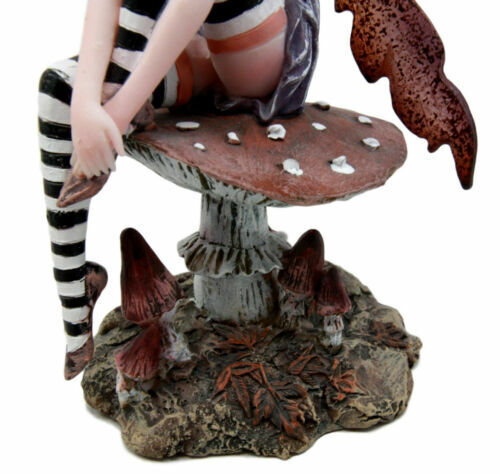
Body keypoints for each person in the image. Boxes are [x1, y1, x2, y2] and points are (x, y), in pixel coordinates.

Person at [38, 0, 320, 378]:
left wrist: (114, 117)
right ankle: (75, 299)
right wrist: (85, 104)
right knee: (58, 87)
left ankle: (122, 100)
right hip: (192, 49)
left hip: (256, 53)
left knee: (109, 90)